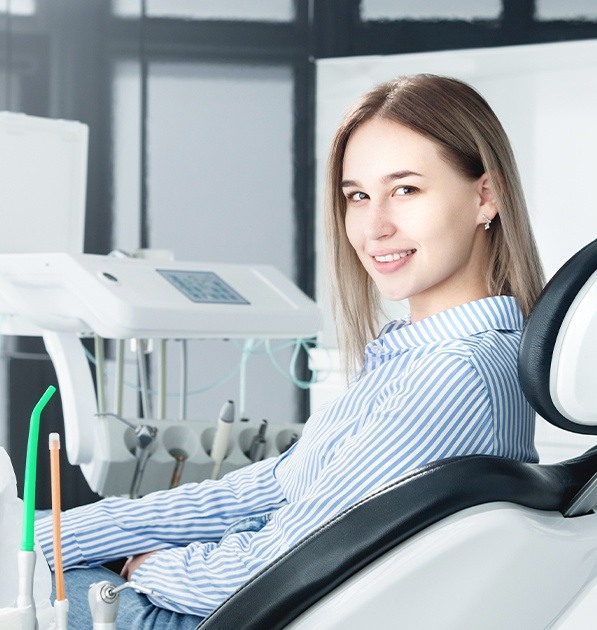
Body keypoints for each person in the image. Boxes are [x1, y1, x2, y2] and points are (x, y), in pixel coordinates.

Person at [35, 74, 545, 628]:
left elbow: (279, 564)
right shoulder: (431, 360)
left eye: (406, 189)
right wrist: (61, 532)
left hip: (245, 614)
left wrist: (147, 568)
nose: (374, 227)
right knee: (38, 551)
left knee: (37, 585)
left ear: (485, 196)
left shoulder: (454, 376)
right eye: (358, 196)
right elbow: (262, 491)